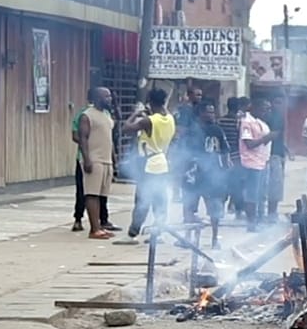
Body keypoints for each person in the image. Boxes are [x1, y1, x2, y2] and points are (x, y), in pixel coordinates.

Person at [118, 87, 176, 244]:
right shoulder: (169, 118)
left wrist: (136, 113)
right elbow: (158, 122)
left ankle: (132, 234)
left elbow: (125, 128)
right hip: (162, 162)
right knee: (160, 200)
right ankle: (158, 233)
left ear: (149, 102)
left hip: (149, 164)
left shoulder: (148, 121)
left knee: (142, 201)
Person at [183, 103, 230, 249]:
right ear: (201, 113)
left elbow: (225, 151)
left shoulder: (217, 130)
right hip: (194, 175)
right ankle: (187, 237)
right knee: (189, 208)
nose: (212, 114)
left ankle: (215, 239)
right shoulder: (192, 131)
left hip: (212, 176)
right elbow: (184, 153)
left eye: (212, 111)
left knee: (214, 209)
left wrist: (224, 171)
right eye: (209, 111)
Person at [76, 86, 117, 240]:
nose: (109, 99)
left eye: (109, 96)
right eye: (106, 97)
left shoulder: (106, 115)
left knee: (101, 195)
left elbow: (109, 139)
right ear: (97, 98)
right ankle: (94, 229)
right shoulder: (87, 116)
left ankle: (99, 226)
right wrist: (87, 159)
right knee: (92, 194)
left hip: (106, 160)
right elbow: (83, 138)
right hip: (94, 159)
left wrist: (114, 158)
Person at [237, 97, 273, 232]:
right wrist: (267, 138)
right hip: (251, 163)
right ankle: (251, 224)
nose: (267, 112)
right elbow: (249, 143)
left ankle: (258, 221)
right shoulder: (247, 122)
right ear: (255, 108)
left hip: (262, 162)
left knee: (260, 194)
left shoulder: (261, 123)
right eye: (265, 109)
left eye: (269, 109)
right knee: (252, 195)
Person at [264, 91, 290, 219]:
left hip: (278, 153)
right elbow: (273, 135)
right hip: (272, 155)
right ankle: (271, 213)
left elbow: (279, 137)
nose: (280, 105)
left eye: (282, 102)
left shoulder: (278, 116)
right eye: (277, 102)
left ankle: (271, 212)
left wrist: (286, 149)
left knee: (275, 185)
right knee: (274, 185)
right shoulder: (273, 117)